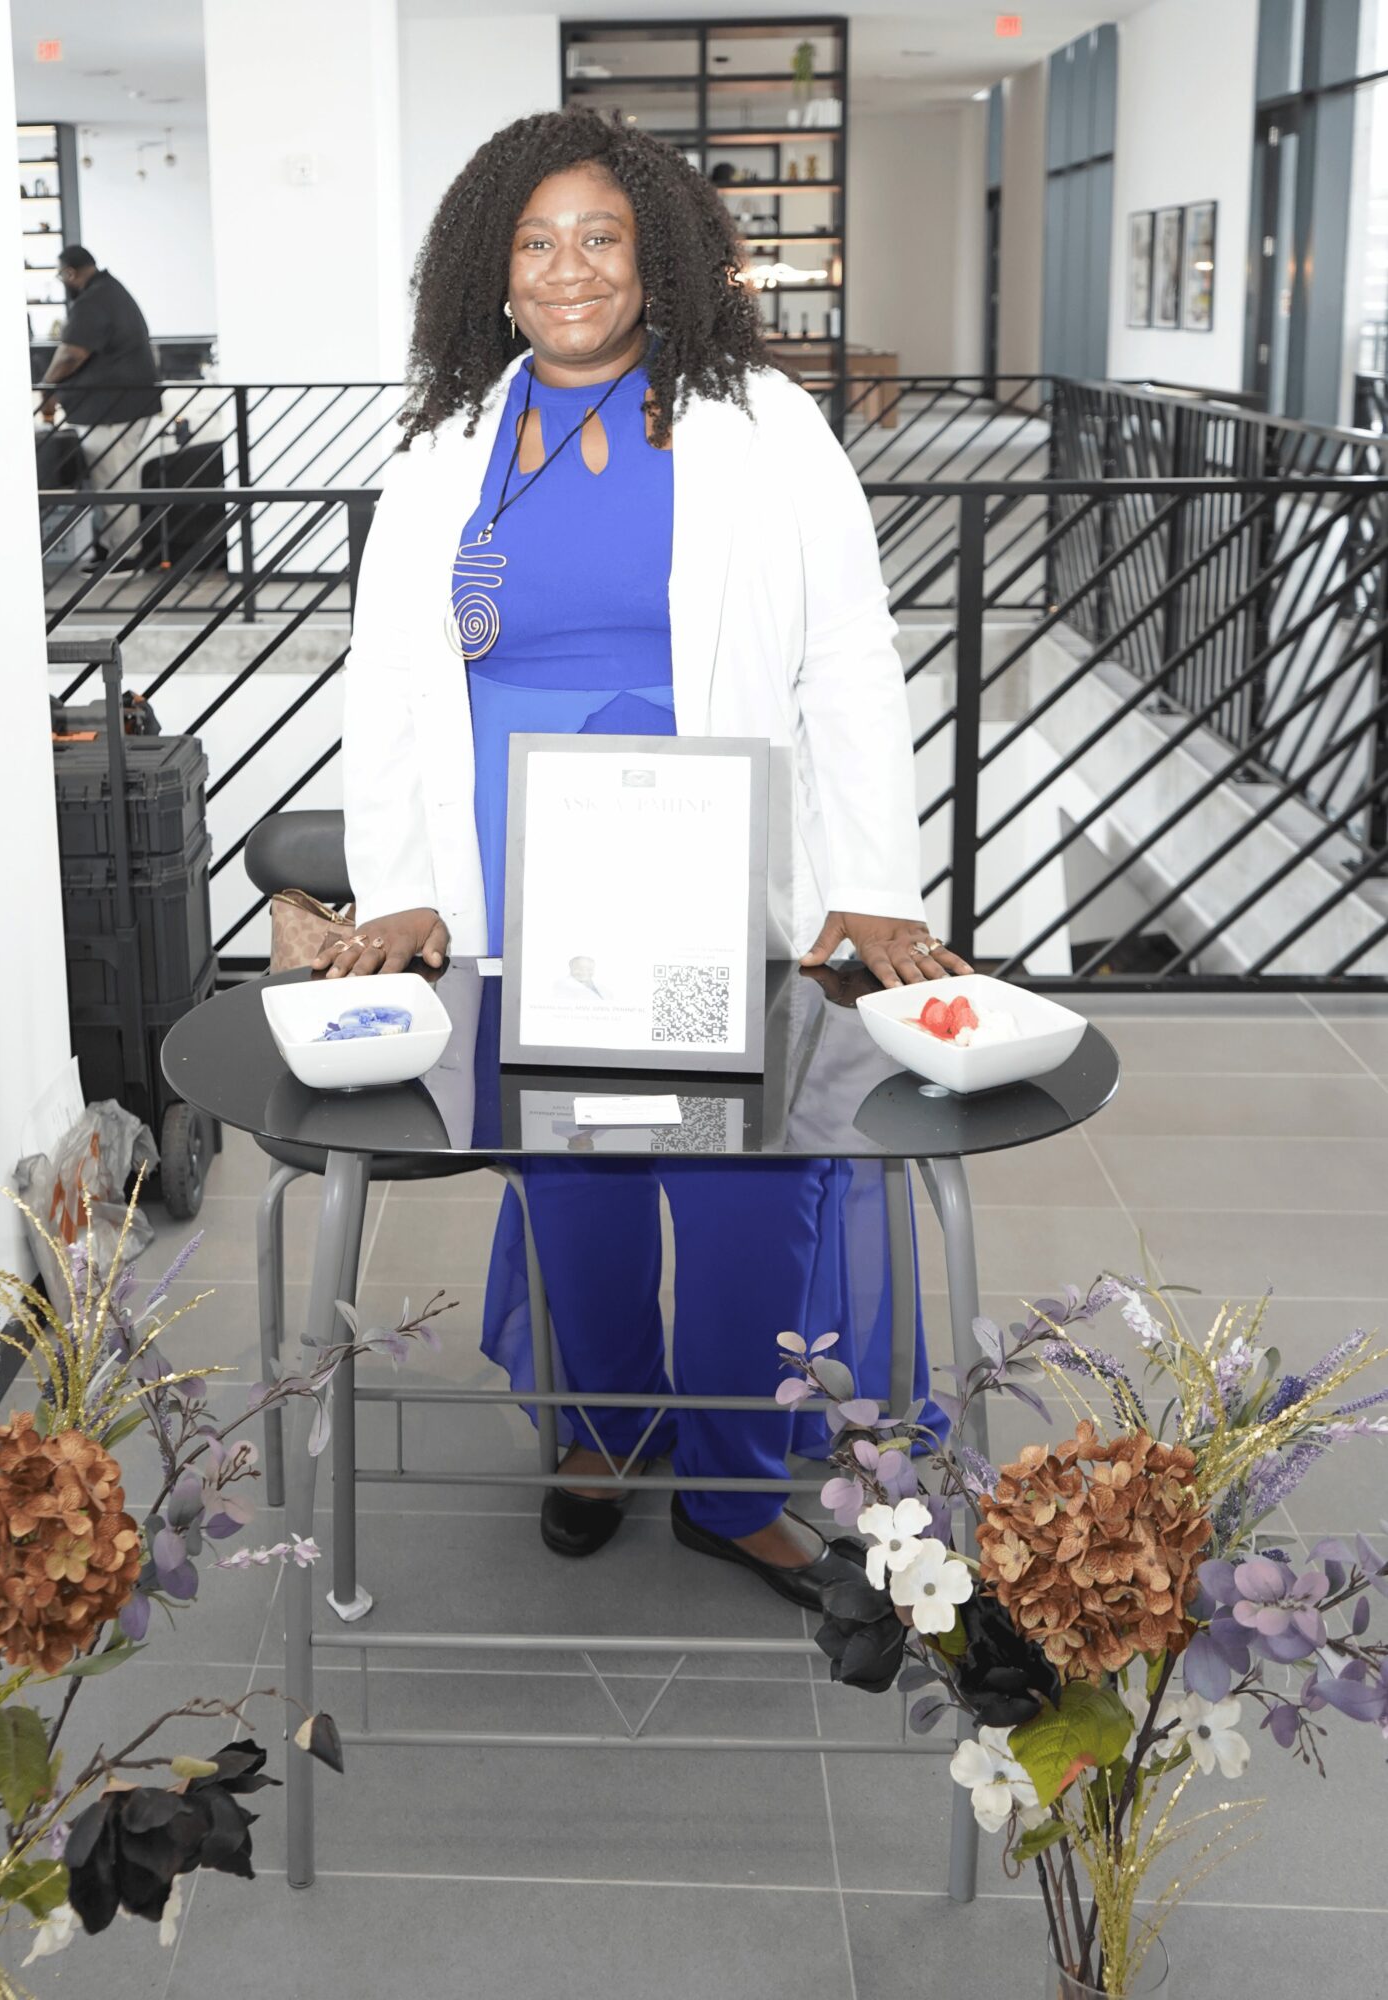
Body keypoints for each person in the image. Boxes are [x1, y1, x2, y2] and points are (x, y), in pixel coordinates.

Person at [317, 107, 968, 1609]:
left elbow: (846, 656)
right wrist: (401, 880)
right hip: (516, 865)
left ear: (654, 255)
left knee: (748, 1178)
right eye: (536, 241)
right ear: (492, 269)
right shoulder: (442, 449)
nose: (569, 268)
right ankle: (602, 1430)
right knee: (573, 1170)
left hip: (708, 860)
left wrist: (871, 881)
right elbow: (391, 680)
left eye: (600, 236)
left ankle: (733, 1487)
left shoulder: (762, 423)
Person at [36, 246, 163, 563]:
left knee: (113, 482)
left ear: (69, 272)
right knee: (118, 480)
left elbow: (70, 355)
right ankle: (115, 550)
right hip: (122, 404)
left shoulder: (94, 301)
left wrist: (47, 388)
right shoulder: (110, 291)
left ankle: (122, 556)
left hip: (112, 409)